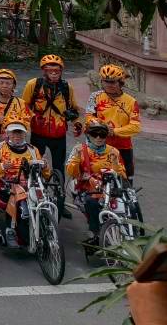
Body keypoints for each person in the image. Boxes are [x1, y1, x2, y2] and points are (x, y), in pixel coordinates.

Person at [0, 118, 48, 248]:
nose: (17, 136)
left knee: (48, 200)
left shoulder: (32, 150)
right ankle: (10, 231)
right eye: (14, 133)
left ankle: (46, 230)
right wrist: (2, 166)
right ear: (8, 134)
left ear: (25, 134)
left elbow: (45, 174)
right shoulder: (1, 147)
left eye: (20, 133)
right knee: (14, 198)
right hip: (6, 185)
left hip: (31, 184)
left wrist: (45, 166)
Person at [65, 117, 127, 249]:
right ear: (88, 134)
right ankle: (95, 232)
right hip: (87, 188)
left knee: (127, 203)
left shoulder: (113, 151)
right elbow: (71, 172)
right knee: (91, 203)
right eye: (94, 134)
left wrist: (115, 166)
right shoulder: (79, 149)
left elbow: (122, 174)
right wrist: (76, 159)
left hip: (110, 187)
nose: (98, 137)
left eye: (102, 134)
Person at [22, 54, 81, 178]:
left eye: (57, 71)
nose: (54, 74)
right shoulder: (33, 85)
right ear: (44, 71)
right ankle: (36, 189)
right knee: (35, 165)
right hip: (38, 133)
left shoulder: (66, 88)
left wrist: (77, 123)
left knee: (59, 166)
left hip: (59, 134)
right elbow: (24, 106)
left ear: (61, 72)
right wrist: (30, 119)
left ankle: (60, 193)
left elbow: (73, 109)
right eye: (50, 71)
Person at [86, 64, 141, 177]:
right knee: (95, 180)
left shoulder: (131, 101)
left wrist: (114, 131)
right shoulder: (95, 97)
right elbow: (89, 117)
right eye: (106, 81)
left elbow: (135, 127)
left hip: (123, 147)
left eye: (113, 82)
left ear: (120, 83)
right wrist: (103, 127)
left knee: (127, 181)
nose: (109, 85)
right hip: (99, 144)